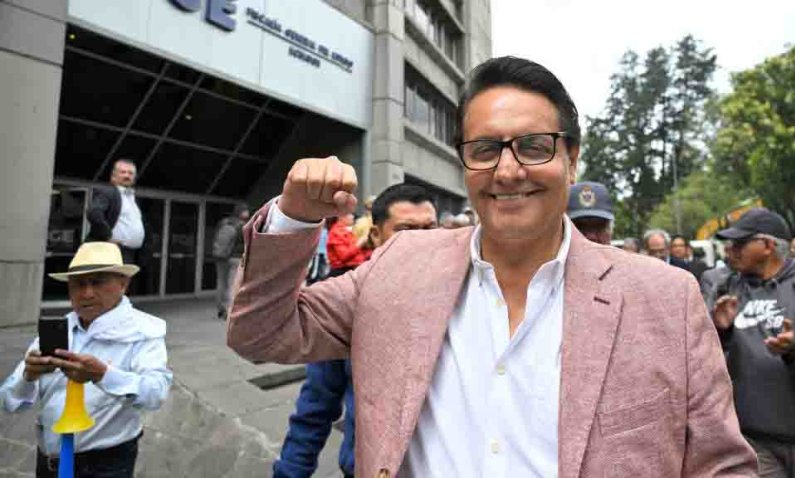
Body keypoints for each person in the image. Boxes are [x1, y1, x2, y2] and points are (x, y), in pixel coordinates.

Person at [228, 56, 756, 476]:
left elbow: (720, 464)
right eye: (484, 149)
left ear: (572, 158)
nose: (507, 170)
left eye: (532, 146)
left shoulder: (665, 297)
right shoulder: (398, 266)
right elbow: (261, 334)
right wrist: (296, 218)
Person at [274, 183, 437, 478]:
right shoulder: (349, 311)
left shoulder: (471, 302)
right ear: (376, 236)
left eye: (430, 229)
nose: (422, 242)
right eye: (406, 230)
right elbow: (316, 406)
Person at [0, 242, 172, 477]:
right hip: (49, 462)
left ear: (123, 283)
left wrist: (104, 375)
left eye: (98, 282)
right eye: (78, 284)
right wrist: (27, 376)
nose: (87, 293)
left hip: (105, 466)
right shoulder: (58, 330)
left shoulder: (143, 331)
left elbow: (155, 393)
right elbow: (9, 401)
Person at [708, 208, 795, 478]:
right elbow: (705, 361)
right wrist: (719, 331)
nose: (730, 250)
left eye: (739, 243)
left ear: (768, 245)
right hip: (752, 438)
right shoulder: (727, 289)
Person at [86, 160, 145, 266]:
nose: (127, 175)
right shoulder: (108, 192)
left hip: (130, 253)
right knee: (109, 281)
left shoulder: (134, 198)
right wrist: (108, 237)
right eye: (123, 172)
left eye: (130, 173)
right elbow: (94, 213)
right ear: (113, 176)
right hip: (111, 251)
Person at [211, 204, 250, 320]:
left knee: (220, 282)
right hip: (235, 258)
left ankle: (220, 308)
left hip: (220, 256)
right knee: (232, 285)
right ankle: (229, 311)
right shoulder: (243, 225)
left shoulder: (224, 222)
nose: (247, 212)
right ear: (241, 212)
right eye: (245, 210)